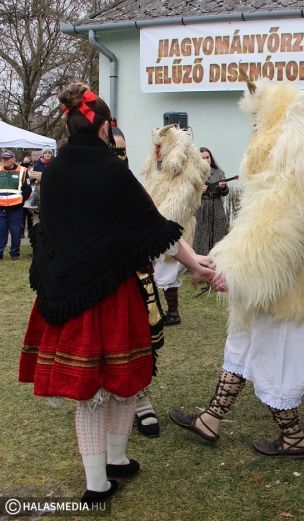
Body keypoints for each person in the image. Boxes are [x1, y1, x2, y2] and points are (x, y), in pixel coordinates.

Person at [18, 82, 215, 505]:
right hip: (112, 295)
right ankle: (107, 470)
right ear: (105, 127)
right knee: (122, 383)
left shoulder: (53, 172)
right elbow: (152, 226)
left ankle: (106, 472)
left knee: (90, 394)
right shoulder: (112, 170)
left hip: (68, 298)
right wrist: (195, 262)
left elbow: (47, 234)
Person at [169, 79, 304, 458]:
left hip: (283, 279)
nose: (254, 128)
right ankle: (211, 418)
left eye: (258, 120)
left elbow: (276, 230)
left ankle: (293, 437)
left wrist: (235, 272)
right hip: (278, 273)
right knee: (242, 343)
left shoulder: (293, 159)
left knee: (275, 355)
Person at [141, 125, 210, 327]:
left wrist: (152, 227)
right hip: (158, 231)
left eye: (161, 147)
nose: (157, 152)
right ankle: (162, 311)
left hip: (172, 232)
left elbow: (172, 210)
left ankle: (172, 312)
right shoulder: (159, 173)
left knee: (167, 272)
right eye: (156, 147)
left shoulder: (185, 177)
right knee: (156, 272)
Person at [192, 147, 229, 256]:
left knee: (218, 236)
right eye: (202, 158)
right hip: (201, 210)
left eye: (207, 157)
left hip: (217, 208)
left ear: (211, 158)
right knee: (200, 237)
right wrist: (199, 192)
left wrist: (223, 187)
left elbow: (225, 192)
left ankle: (218, 260)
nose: (206, 160)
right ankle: (200, 261)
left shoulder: (218, 173)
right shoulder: (194, 174)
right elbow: (189, 195)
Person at [0, 149, 31, 260]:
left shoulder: (23, 171)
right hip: (1, 209)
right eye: (4, 158)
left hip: (16, 209)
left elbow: (27, 189)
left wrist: (21, 201)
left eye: (8, 158)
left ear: (14, 159)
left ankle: (15, 253)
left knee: (16, 232)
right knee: (1, 232)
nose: (5, 160)